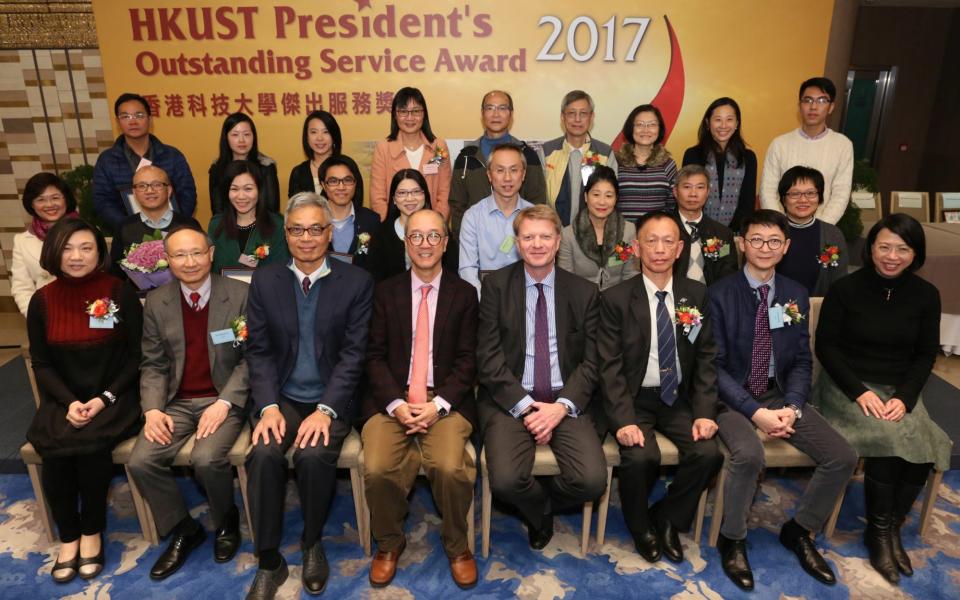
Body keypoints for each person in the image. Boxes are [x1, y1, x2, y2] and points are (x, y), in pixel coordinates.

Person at [709, 210, 857, 590]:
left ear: (786, 247)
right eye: (756, 239)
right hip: (732, 399)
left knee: (842, 457)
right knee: (749, 455)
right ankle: (733, 537)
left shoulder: (795, 293)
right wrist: (755, 412)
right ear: (741, 243)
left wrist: (791, 407)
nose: (764, 248)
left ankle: (800, 529)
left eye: (774, 241)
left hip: (780, 394)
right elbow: (715, 368)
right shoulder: (719, 294)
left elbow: (803, 360)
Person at [243, 192, 373, 599]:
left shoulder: (356, 281)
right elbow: (258, 350)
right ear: (286, 234)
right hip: (280, 397)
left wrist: (326, 410)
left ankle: (312, 541)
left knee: (314, 456)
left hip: (330, 399)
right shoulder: (266, 279)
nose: (306, 238)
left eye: (316, 229)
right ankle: (268, 560)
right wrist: (266, 406)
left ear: (329, 233)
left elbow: (354, 356)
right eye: (297, 229)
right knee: (263, 454)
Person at [815, 214, 950, 586]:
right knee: (890, 442)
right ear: (871, 247)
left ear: (915, 253)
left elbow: (925, 355)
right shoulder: (845, 288)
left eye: (902, 249)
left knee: (924, 443)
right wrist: (860, 391)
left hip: (898, 390)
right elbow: (826, 346)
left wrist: (906, 398)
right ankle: (877, 534)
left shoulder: (927, 295)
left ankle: (890, 527)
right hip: (846, 387)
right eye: (884, 246)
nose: (892, 256)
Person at [477, 205, 607, 552]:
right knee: (504, 481)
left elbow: (593, 362)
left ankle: (541, 505)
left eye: (545, 236)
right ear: (517, 242)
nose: (537, 244)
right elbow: (488, 359)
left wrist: (561, 407)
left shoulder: (584, 292)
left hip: (566, 399)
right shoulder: (495, 287)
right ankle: (539, 511)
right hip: (510, 399)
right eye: (528, 236)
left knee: (593, 481)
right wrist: (526, 406)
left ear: (557, 240)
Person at [363, 209, 479, 589]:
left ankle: (457, 546)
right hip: (391, 399)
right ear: (405, 242)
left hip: (445, 401)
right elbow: (374, 356)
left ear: (446, 243)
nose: (425, 244)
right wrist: (397, 405)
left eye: (434, 236)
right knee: (378, 468)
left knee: (448, 467)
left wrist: (438, 404)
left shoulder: (464, 294)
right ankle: (389, 543)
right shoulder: (386, 291)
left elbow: (468, 360)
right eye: (416, 236)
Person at [598, 211, 722, 564]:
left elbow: (706, 358)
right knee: (641, 456)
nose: (659, 249)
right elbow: (610, 368)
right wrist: (622, 420)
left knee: (708, 453)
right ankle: (640, 526)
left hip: (677, 397)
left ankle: (667, 517)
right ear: (637, 247)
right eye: (651, 240)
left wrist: (704, 413)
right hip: (634, 398)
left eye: (668, 241)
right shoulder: (616, 298)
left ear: (680, 248)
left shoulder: (695, 294)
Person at [128, 225, 250, 580]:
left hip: (223, 398)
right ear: (168, 260)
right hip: (176, 402)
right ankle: (184, 528)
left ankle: (227, 521)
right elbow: (153, 362)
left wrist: (225, 402)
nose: (190, 261)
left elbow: (252, 358)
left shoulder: (240, 294)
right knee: (141, 460)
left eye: (197, 252)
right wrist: (152, 410)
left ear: (211, 254)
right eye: (180, 255)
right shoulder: (156, 300)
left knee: (206, 457)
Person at [25, 218, 142, 583]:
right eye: (68, 248)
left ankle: (92, 531)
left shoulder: (119, 291)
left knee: (90, 446)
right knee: (55, 447)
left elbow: (137, 357)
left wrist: (103, 399)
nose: (76, 256)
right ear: (54, 253)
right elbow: (42, 364)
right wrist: (69, 401)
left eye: (86, 248)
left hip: (114, 395)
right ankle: (69, 535)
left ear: (99, 253)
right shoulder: (41, 300)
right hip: (63, 398)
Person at [93, 92, 196, 233]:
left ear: (150, 119)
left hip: (173, 232)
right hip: (127, 234)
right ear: (118, 121)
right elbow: (102, 201)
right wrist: (129, 228)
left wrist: (175, 225)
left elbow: (187, 194)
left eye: (139, 115)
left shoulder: (172, 155)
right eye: (125, 117)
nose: (133, 121)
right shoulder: (107, 160)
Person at [449, 90, 547, 236]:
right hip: (476, 241)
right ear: (482, 114)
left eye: (502, 108)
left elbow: (537, 202)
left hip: (519, 241)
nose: (496, 114)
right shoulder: (466, 157)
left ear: (511, 114)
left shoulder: (528, 155)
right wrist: (463, 239)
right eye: (490, 108)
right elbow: (457, 205)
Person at [760, 77, 854, 225]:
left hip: (822, 226)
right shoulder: (779, 144)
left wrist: (819, 227)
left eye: (822, 101)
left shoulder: (843, 145)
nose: (813, 107)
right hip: (782, 227)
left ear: (831, 107)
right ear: (799, 105)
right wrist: (780, 225)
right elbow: (768, 191)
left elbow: (841, 193)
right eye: (808, 100)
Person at [458, 144, 533, 294]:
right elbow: (467, 269)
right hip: (485, 298)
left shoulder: (535, 216)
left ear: (523, 174)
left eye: (514, 170)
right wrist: (484, 304)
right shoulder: (472, 217)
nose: (507, 178)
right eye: (500, 170)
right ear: (489, 175)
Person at [371, 87, 451, 220]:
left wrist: (436, 223)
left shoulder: (439, 147)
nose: (410, 118)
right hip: (394, 224)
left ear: (424, 114)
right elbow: (378, 196)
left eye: (416, 111)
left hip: (431, 225)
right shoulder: (383, 148)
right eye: (403, 111)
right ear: (395, 115)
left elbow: (445, 193)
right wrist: (390, 226)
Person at [557, 165, 639, 290]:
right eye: (596, 194)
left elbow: (630, 275)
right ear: (586, 197)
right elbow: (566, 281)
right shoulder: (568, 235)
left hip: (617, 302)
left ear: (616, 199)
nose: (602, 202)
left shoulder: (627, 231)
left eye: (608, 196)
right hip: (581, 303)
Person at [368, 169, 458, 282]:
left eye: (416, 192)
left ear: (425, 195)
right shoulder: (381, 234)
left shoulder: (440, 229)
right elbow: (375, 279)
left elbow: (451, 273)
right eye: (402, 193)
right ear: (394, 199)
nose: (410, 199)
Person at [110, 165, 202, 275]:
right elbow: (116, 272)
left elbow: (201, 263)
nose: (149, 191)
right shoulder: (124, 227)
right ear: (134, 193)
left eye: (157, 185)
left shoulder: (188, 225)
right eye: (142, 186)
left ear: (169, 190)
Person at [682, 97, 757, 232]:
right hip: (697, 230)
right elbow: (688, 197)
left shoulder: (748, 158)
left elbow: (747, 203)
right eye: (718, 120)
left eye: (729, 119)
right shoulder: (693, 154)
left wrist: (728, 233)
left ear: (736, 124)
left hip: (735, 233)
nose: (723, 125)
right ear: (707, 123)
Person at [541, 90, 614, 226]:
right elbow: (540, 199)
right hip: (554, 233)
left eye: (583, 113)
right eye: (571, 113)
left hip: (593, 234)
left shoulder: (605, 154)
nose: (577, 119)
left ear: (591, 117)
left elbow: (612, 199)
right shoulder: (547, 152)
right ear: (562, 117)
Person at [775, 166, 849, 296]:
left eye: (810, 193)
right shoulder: (770, 232)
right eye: (795, 194)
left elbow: (840, 281)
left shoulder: (832, 235)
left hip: (817, 309)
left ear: (819, 198)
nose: (803, 200)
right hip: (773, 309)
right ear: (783, 199)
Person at [11, 172, 78, 316]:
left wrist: (100, 318)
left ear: (66, 199)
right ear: (32, 204)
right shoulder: (21, 241)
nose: (49, 205)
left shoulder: (88, 232)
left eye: (55, 198)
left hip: (88, 311)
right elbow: (22, 287)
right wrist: (36, 317)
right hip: (48, 315)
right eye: (41, 199)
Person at [208, 161, 289, 275]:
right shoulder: (216, 225)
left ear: (259, 190)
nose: (241, 196)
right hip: (225, 291)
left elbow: (281, 271)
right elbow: (212, 270)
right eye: (234, 189)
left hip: (265, 291)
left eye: (248, 189)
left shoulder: (277, 225)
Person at [671, 165, 739, 286]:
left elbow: (727, 274)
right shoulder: (663, 230)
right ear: (675, 191)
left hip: (710, 300)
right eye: (687, 187)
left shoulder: (721, 234)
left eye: (700, 187)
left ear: (708, 192)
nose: (693, 194)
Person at [614, 104, 679, 220]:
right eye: (640, 125)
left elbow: (672, 205)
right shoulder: (616, 161)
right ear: (631, 128)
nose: (645, 130)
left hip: (656, 234)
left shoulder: (668, 164)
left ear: (659, 129)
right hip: (622, 234)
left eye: (652, 125)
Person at [208, 112, 280, 215]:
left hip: (262, 227)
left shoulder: (266, 166)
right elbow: (217, 210)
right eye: (235, 135)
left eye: (246, 134)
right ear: (226, 138)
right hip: (228, 227)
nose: (241, 140)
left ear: (253, 137)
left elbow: (272, 208)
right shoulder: (217, 168)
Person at [318, 155, 379, 270]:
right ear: (323, 185)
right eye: (333, 181)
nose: (341, 187)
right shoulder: (314, 221)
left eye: (347, 180)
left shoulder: (371, 220)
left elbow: (377, 267)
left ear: (355, 183)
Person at [288, 110, 342, 197]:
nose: (320, 138)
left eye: (326, 132)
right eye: (314, 132)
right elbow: (295, 207)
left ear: (334, 136)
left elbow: (355, 206)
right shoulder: (299, 172)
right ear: (307, 137)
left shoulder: (348, 167)